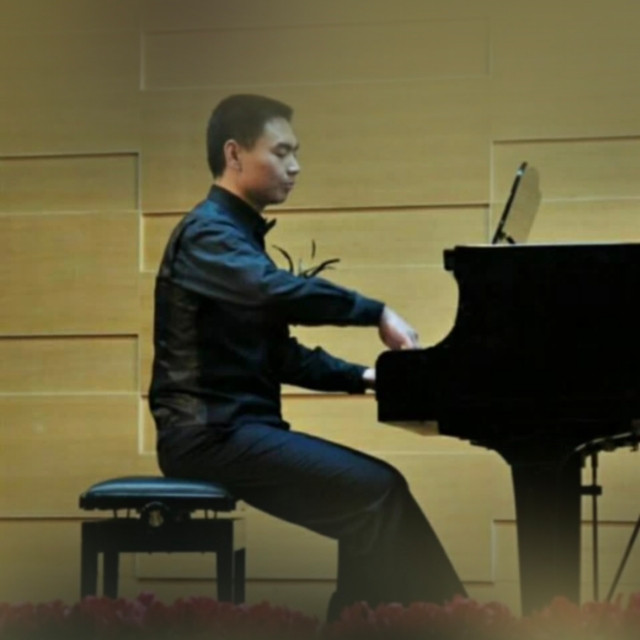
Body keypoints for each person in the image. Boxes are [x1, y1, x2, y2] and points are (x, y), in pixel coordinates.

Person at [149, 94, 467, 620]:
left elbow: (281, 356)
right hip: (206, 435)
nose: (295, 166)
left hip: (236, 429)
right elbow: (273, 291)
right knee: (377, 492)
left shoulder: (235, 238)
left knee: (369, 498)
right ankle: (457, 623)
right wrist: (374, 312)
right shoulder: (209, 234)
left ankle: (389, 624)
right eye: (281, 152)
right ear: (234, 154)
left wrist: (369, 377)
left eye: (296, 152)